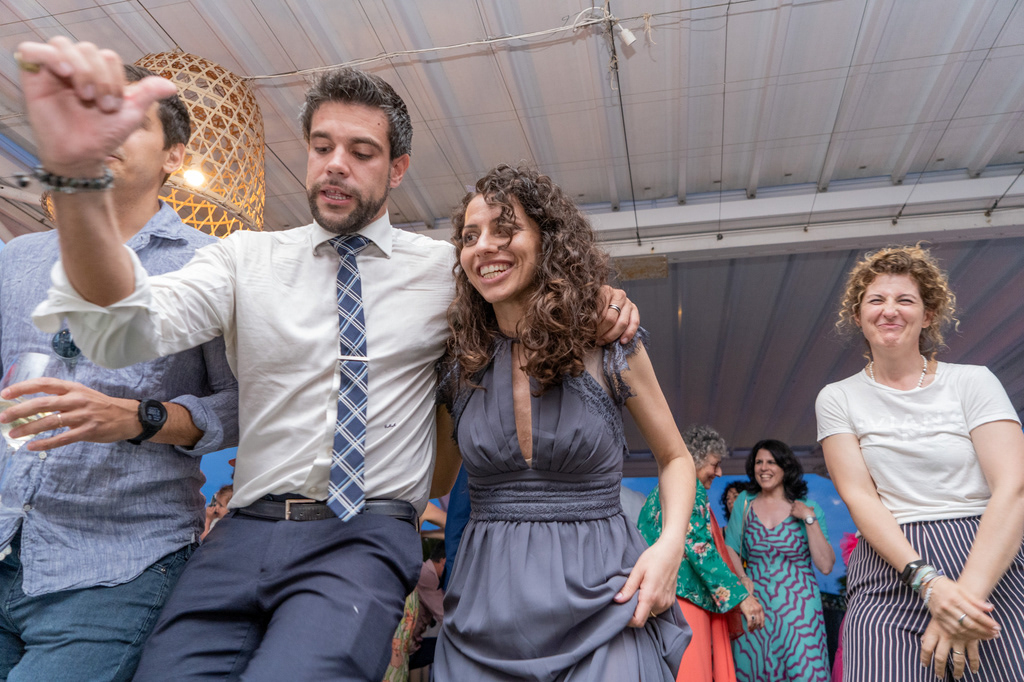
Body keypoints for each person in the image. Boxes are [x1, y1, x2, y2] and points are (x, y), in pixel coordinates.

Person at [14, 38, 638, 680]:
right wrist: (79, 181)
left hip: (362, 535)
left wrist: (603, 300)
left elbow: (532, 292)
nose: (336, 165)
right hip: (242, 531)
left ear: (397, 168)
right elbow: (119, 328)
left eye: (361, 152)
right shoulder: (245, 259)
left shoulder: (447, 272)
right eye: (322, 147)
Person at [0, 61, 239, 681]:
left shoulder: (213, 265)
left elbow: (245, 403)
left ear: (174, 156)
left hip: (115, 567)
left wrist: (141, 417)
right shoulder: (18, 259)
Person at [433, 164, 695, 680]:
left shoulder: (608, 340)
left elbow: (675, 458)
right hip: (484, 616)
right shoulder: (457, 364)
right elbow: (437, 481)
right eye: (470, 236)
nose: (484, 247)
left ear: (547, 240)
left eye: (504, 229)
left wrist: (670, 548)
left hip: (608, 602)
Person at [816, 245, 1024, 681]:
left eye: (905, 299)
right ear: (858, 316)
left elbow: (1014, 488)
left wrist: (963, 600)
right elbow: (859, 497)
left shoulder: (973, 381)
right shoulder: (837, 397)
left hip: (986, 559)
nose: (889, 310)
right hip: (891, 568)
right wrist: (929, 583)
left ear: (928, 315)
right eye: (876, 300)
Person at [638, 425, 765, 682]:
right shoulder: (688, 488)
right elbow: (699, 549)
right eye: (715, 465)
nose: (719, 473)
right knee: (693, 673)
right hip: (686, 601)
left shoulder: (660, 491)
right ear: (694, 460)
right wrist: (741, 597)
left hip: (662, 601)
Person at [724, 439, 834, 682]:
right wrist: (741, 578)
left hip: (800, 610)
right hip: (755, 606)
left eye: (771, 462)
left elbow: (826, 565)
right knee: (754, 670)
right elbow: (730, 548)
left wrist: (808, 519)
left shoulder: (809, 507)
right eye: (759, 462)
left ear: (785, 467)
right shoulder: (744, 502)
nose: (764, 468)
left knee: (803, 672)